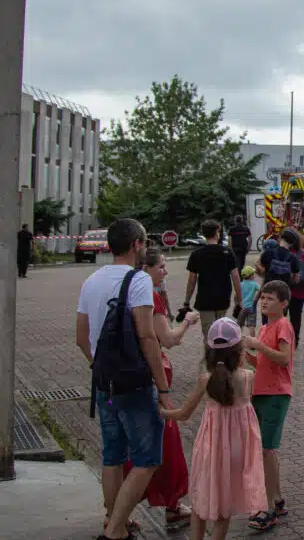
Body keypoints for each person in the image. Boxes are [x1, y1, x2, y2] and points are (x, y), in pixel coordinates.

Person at [74, 218, 170, 540]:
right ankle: (116, 529)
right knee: (146, 459)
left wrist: (100, 365)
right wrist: (163, 386)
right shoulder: (138, 280)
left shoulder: (91, 280)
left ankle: (113, 520)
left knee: (113, 455)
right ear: (136, 245)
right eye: (143, 242)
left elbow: (80, 337)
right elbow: (147, 336)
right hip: (135, 385)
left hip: (105, 385)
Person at [160, 317, 266, 540]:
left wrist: (161, 412)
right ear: (239, 349)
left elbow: (183, 414)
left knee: (200, 499)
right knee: (223, 509)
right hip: (237, 452)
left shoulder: (204, 380)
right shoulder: (248, 378)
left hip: (209, 449)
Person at [123, 249, 200, 532]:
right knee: (164, 446)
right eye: (162, 267)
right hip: (153, 376)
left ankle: (118, 511)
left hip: (124, 377)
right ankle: (172, 505)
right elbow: (166, 339)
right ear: (147, 267)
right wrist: (187, 323)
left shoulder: (122, 290)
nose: (165, 272)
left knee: (124, 447)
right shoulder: (148, 296)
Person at [244, 280, 296, 532]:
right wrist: (247, 354)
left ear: (284, 303)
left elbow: (284, 359)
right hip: (260, 392)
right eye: (262, 297)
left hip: (276, 394)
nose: (264, 301)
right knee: (264, 449)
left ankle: (271, 505)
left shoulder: (283, 325)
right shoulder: (265, 328)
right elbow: (262, 362)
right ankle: (277, 499)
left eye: (270, 298)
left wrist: (259, 346)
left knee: (267, 449)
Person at [183, 219, 243, 340]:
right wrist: (239, 299)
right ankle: (220, 356)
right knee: (221, 332)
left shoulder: (197, 254)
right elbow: (236, 277)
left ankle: (210, 356)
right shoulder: (227, 252)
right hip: (223, 297)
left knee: (209, 335)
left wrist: (187, 301)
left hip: (205, 300)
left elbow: (191, 281)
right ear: (217, 232)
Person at [255, 230, 301, 324]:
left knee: (266, 323)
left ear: (280, 238)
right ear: (292, 243)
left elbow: (259, 269)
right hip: (282, 295)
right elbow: (296, 280)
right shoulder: (293, 258)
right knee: (279, 323)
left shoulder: (268, 253)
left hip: (268, 293)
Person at [284, 230, 304, 349]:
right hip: (300, 289)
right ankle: (295, 340)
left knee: (282, 316)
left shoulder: (285, 253)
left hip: (286, 289)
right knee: (296, 316)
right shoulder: (302, 252)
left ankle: (284, 338)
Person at [239, 265, 260, 337]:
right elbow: (260, 290)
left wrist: (238, 303)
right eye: (253, 274)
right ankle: (253, 341)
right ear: (250, 276)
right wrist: (256, 297)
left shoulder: (240, 284)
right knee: (251, 325)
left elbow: (236, 295)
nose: (254, 276)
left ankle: (238, 338)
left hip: (242, 307)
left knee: (239, 324)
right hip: (251, 307)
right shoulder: (254, 284)